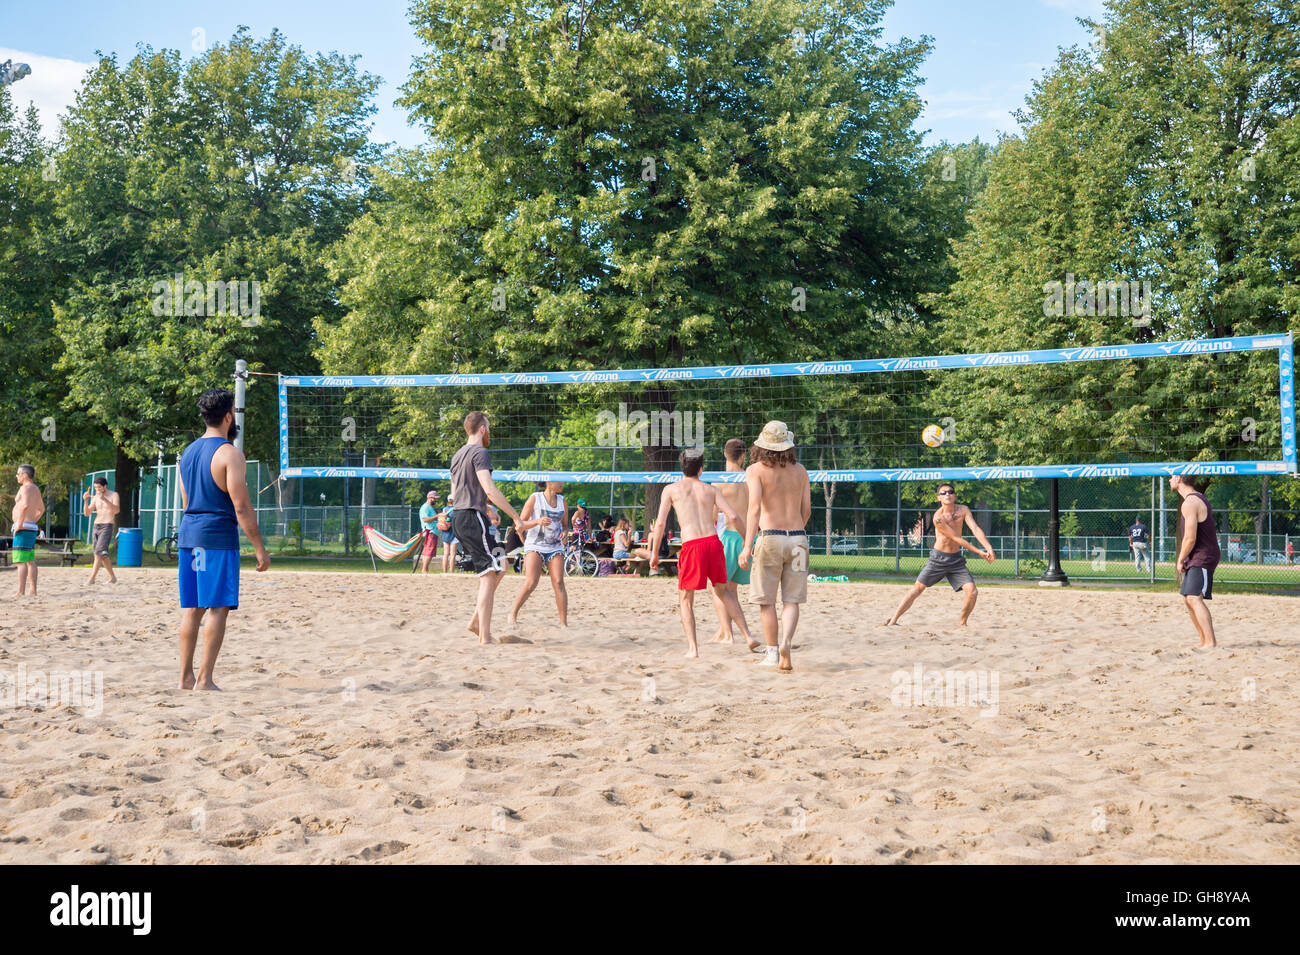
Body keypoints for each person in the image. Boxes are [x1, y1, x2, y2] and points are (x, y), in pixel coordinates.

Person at [176, 388, 270, 690]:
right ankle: (204, 680)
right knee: (217, 608)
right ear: (229, 416)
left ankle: (185, 678)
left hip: (189, 534)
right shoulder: (230, 453)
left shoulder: (187, 453)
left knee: (192, 609)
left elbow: (186, 499)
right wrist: (260, 550)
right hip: (216, 537)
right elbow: (241, 506)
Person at [650, 448, 749, 659]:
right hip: (713, 543)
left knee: (686, 599)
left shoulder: (671, 489)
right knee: (724, 592)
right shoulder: (711, 489)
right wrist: (747, 541)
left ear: (681, 467)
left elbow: (659, 524)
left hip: (692, 544)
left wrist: (654, 553)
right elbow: (732, 515)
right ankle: (748, 636)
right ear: (701, 469)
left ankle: (693, 649)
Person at [738, 422, 811, 670]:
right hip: (799, 539)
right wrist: (796, 532)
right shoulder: (800, 470)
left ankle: (772, 653)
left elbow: (754, 509)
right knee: (792, 601)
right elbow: (807, 511)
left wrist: (747, 546)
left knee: (766, 601)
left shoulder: (755, 470)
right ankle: (786, 643)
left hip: (770, 536)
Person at [449, 411, 524, 644]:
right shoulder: (480, 452)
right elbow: (489, 488)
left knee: (501, 564)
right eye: (488, 427)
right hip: (472, 519)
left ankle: (475, 622)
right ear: (482, 429)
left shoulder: (457, 455)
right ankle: (485, 636)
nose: (489, 431)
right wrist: (516, 517)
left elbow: (455, 494)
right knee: (488, 576)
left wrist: (487, 508)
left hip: (463, 517)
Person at [884, 483, 995, 628]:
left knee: (972, 592)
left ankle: (962, 623)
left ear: (954, 495)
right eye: (943, 493)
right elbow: (956, 538)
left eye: (950, 492)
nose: (947, 494)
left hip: (956, 560)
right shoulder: (938, 518)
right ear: (939, 498)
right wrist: (979, 552)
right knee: (917, 589)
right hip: (938, 558)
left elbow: (975, 528)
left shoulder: (964, 510)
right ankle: (893, 620)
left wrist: (989, 548)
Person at [709, 438, 759, 650]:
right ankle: (723, 630)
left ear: (724, 454)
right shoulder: (751, 477)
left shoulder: (718, 482)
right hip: (748, 537)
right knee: (731, 588)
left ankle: (727, 633)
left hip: (730, 535)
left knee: (717, 588)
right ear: (743, 456)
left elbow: (712, 517)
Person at [508, 481, 569, 626]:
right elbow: (520, 524)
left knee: (559, 582)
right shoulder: (535, 498)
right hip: (535, 544)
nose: (563, 483)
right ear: (549, 483)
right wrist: (537, 521)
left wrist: (565, 533)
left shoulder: (563, 501)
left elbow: (565, 525)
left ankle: (563, 624)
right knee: (531, 582)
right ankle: (512, 614)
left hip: (555, 546)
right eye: (558, 481)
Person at [1172, 474, 1220, 650]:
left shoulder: (1190, 502)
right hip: (1199, 554)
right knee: (1188, 599)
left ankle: (1210, 642)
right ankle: (1203, 640)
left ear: (1178, 479)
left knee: (1194, 597)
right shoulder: (1196, 499)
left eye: (1171, 477)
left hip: (1203, 555)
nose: (1169, 480)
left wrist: (1180, 559)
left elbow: (1189, 538)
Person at [11, 464, 45, 597]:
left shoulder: (25, 488)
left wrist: (19, 524)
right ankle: (33, 591)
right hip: (30, 527)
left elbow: (24, 505)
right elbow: (41, 509)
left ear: (25, 475)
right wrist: (33, 521)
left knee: (20, 561)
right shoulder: (36, 489)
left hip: (23, 528)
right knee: (30, 560)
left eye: (18, 474)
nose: (17, 476)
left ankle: (20, 592)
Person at [83, 476, 121, 584]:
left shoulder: (114, 495)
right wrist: (85, 501)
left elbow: (116, 510)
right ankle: (113, 578)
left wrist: (104, 499)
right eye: (95, 488)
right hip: (96, 525)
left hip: (107, 525)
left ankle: (92, 579)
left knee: (98, 553)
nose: (97, 490)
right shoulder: (95, 497)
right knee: (102, 555)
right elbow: (87, 513)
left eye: (99, 487)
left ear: (105, 486)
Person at [418, 489, 440, 573]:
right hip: (429, 532)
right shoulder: (425, 507)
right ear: (430, 498)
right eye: (435, 498)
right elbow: (425, 519)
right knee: (429, 550)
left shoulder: (429, 507)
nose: (436, 500)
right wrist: (437, 516)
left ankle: (425, 569)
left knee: (428, 550)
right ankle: (424, 569)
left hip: (432, 532)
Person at [438, 498, 458, 573]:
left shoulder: (444, 509)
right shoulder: (455, 510)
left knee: (445, 554)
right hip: (454, 533)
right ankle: (451, 572)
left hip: (445, 533)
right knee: (452, 555)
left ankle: (444, 571)